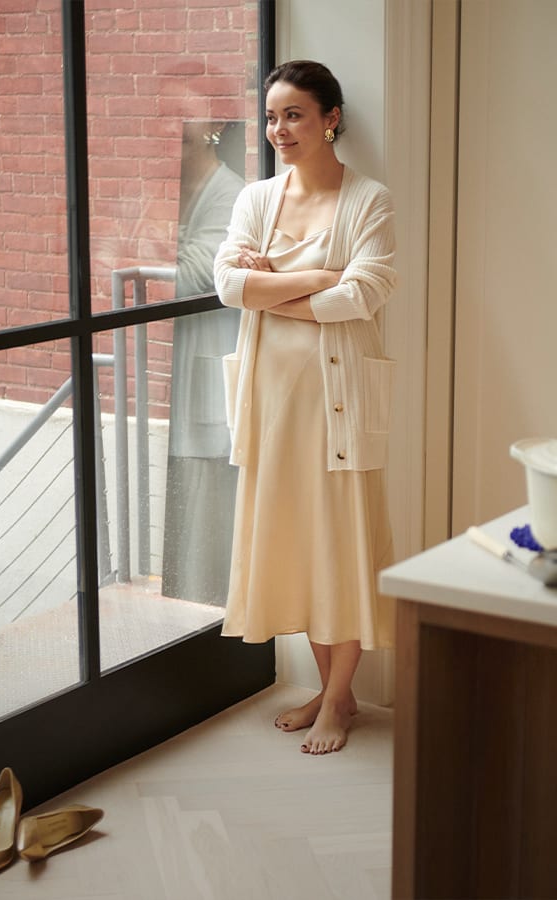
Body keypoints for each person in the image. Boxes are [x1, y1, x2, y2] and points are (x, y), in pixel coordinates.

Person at [213, 61, 397, 755]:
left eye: (293, 114)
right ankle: (334, 692)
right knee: (296, 546)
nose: (278, 130)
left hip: (338, 408)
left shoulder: (369, 199)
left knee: (340, 550)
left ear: (331, 118)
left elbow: (363, 293)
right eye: (271, 116)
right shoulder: (256, 199)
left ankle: (338, 702)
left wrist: (278, 287)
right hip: (272, 408)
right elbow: (229, 285)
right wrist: (315, 279)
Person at [161, 121, 245, 606]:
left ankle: (210, 613)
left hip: (210, 378)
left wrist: (148, 245)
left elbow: (195, 275)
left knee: (208, 513)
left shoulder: (230, 194)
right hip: (175, 378)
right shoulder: (173, 193)